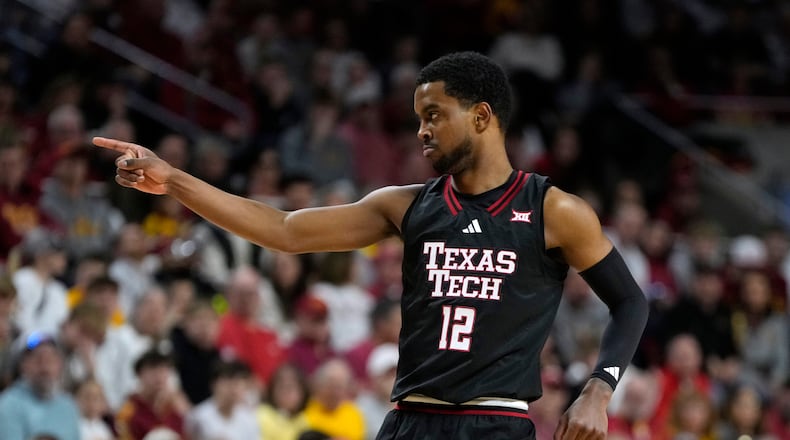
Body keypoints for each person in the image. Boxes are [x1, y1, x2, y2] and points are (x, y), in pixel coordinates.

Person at [94, 50, 649, 439]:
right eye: (417, 119)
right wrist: (175, 181)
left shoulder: (556, 210)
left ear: (482, 116)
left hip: (496, 423)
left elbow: (630, 301)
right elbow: (282, 230)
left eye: (434, 115)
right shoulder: (405, 204)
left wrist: (600, 388)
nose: (422, 131)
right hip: (409, 419)